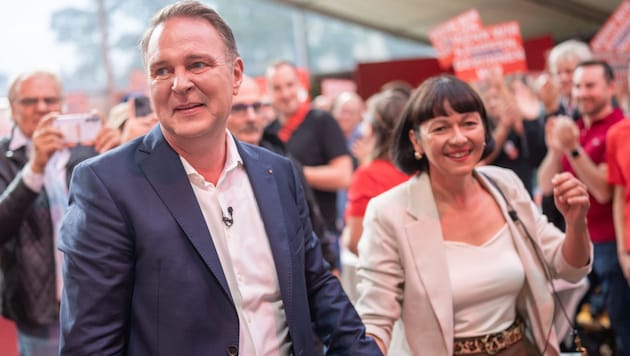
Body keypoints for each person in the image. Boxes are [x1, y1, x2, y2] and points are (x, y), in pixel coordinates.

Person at [58, 2, 381, 355]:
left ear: (237, 74)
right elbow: (89, 344)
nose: (180, 84)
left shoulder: (277, 172)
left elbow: (314, 282)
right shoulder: (106, 184)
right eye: (162, 70)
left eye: (197, 64)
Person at [355, 75, 592, 355]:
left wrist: (576, 222)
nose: (459, 138)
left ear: (484, 129)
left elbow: (570, 268)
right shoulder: (390, 212)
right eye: (441, 128)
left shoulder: (506, 186)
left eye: (469, 123)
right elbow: (376, 316)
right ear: (415, 141)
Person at [0, 69, 119, 356]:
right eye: (30, 101)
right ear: (13, 107)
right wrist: (35, 167)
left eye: (49, 100)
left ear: (62, 104)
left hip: (96, 298)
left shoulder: (85, 153)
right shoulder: (3, 158)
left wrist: (119, 160)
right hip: (37, 308)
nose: (41, 108)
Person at [538, 60, 630, 354]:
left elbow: (604, 192)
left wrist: (574, 150)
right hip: (577, 243)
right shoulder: (573, 127)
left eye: (590, 85)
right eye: (578, 85)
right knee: (583, 328)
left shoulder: (619, 128)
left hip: (611, 244)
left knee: (622, 325)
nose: (582, 93)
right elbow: (545, 184)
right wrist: (557, 148)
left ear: (610, 87)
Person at [265, 61, 353, 262]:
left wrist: (292, 173)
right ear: (269, 92)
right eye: (277, 88)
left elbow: (343, 176)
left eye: (289, 85)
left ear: (300, 85)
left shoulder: (322, 121)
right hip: (284, 239)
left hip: (323, 235)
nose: (285, 93)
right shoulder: (268, 132)